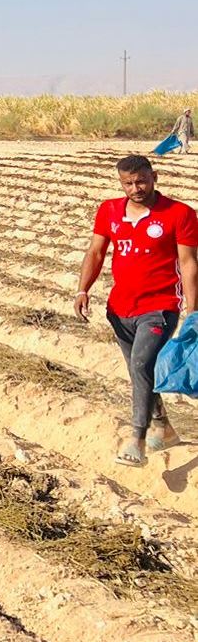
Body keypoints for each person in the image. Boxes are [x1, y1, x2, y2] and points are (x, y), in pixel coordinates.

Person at [75, 154, 198, 466]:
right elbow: (96, 251)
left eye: (141, 180)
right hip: (119, 309)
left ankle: (137, 439)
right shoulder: (109, 210)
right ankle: (165, 427)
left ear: (154, 176)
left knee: (142, 364)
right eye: (128, 183)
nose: (135, 188)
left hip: (160, 307)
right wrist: (82, 289)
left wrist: (193, 313)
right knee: (138, 372)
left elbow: (188, 263)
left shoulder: (179, 213)